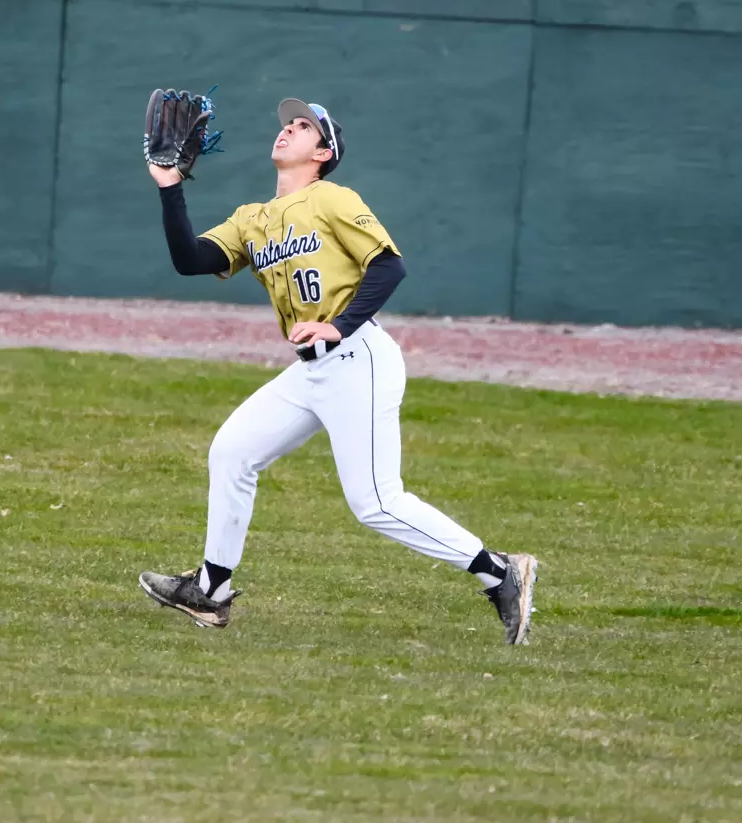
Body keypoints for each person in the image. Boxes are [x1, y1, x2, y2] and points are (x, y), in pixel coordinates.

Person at [137, 96, 539, 644]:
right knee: (232, 452)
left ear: (323, 153)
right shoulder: (252, 220)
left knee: (376, 502)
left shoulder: (331, 198)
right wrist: (169, 185)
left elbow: (389, 267)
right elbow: (190, 260)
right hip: (310, 373)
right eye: (287, 123)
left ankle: (500, 572)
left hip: (358, 358)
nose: (287, 129)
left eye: (303, 126)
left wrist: (339, 326)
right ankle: (211, 589)